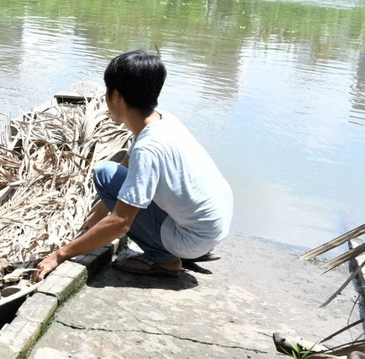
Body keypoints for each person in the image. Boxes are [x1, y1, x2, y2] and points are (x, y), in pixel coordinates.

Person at [33, 50, 233, 282]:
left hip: (193, 239)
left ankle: (165, 259)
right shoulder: (162, 119)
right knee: (107, 174)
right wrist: (98, 215)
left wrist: (59, 255)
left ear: (116, 96)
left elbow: (121, 223)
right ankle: (173, 245)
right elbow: (126, 165)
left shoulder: (148, 148)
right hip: (212, 226)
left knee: (112, 191)